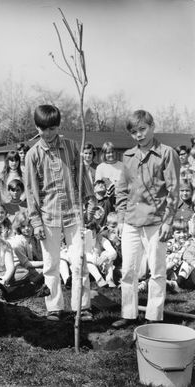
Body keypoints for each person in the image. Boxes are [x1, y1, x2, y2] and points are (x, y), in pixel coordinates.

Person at [25, 104, 95, 322]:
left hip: (74, 214)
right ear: (37, 127)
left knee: (79, 261)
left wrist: (90, 203)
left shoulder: (72, 147)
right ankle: (54, 306)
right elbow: (30, 190)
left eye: (53, 128)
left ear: (58, 126)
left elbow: (82, 177)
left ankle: (81, 306)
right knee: (51, 264)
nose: (48, 133)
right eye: (43, 129)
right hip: (48, 216)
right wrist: (36, 221)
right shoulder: (33, 154)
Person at [112, 110, 180, 328]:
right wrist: (121, 218)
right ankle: (128, 313)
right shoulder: (128, 156)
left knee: (157, 271)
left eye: (142, 129)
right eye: (134, 132)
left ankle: (154, 315)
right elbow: (121, 190)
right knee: (129, 270)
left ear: (152, 126)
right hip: (131, 220)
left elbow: (173, 190)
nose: (139, 135)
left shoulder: (167, 153)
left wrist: (168, 220)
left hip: (156, 220)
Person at [9, 211, 43, 281]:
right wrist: (47, 263)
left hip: (33, 265)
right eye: (23, 226)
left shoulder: (34, 237)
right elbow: (26, 264)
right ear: (18, 227)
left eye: (29, 225)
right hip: (21, 270)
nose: (27, 228)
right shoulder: (17, 242)